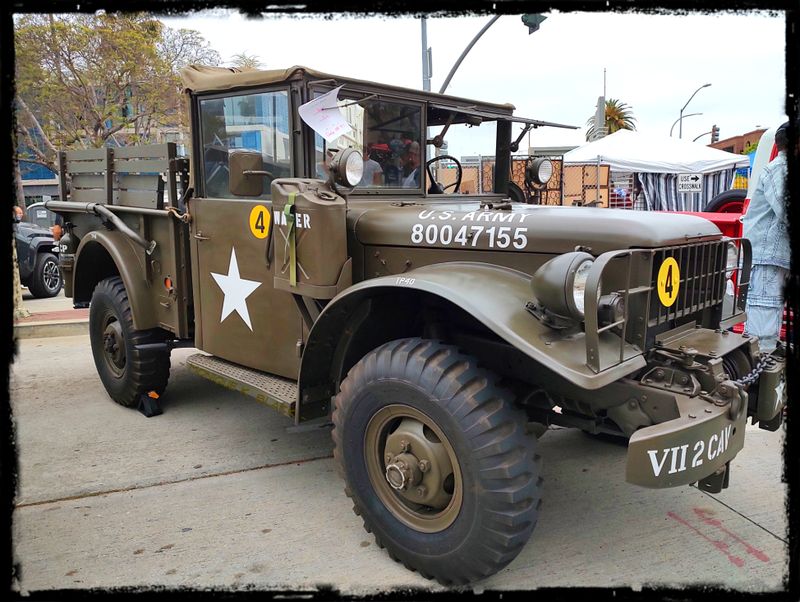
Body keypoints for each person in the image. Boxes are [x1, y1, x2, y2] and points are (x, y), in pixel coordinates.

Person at [741, 121, 790, 352]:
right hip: (766, 260)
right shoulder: (780, 169)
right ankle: (758, 383)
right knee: (762, 337)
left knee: (767, 326)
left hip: (772, 260)